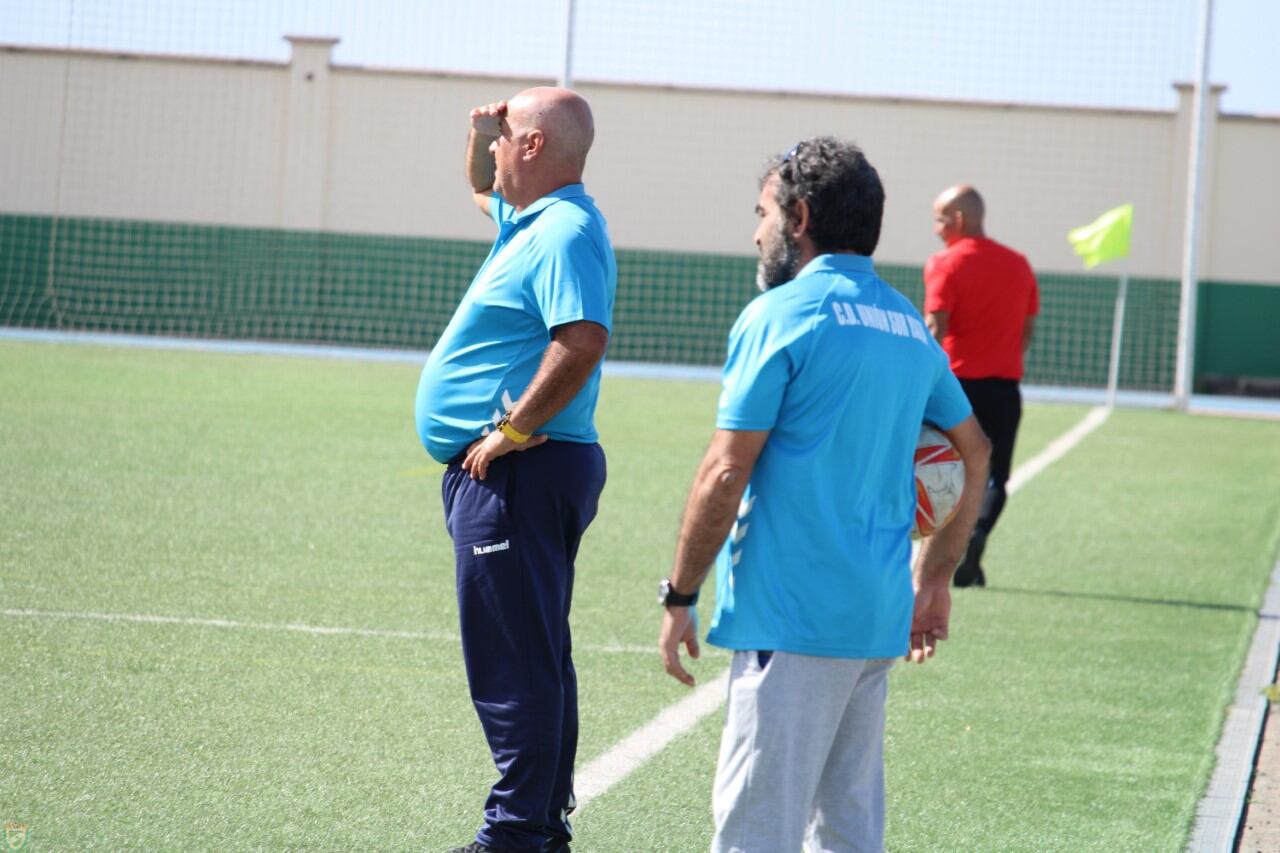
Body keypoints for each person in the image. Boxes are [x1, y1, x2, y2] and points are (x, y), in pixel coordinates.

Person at [657, 137, 990, 852]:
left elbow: (724, 470)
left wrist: (679, 591)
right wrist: (934, 579)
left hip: (793, 617)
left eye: (763, 212)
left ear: (799, 216)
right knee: (844, 834)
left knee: (757, 832)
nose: (756, 231)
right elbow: (977, 452)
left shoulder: (781, 314)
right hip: (874, 618)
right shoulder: (908, 324)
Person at [415, 87, 616, 853]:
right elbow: (478, 185)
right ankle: (538, 825)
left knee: (514, 663)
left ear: (532, 146)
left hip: (520, 473)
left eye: (504, 136)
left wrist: (510, 429)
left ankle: (515, 833)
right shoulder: (526, 221)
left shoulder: (563, 230)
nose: (494, 147)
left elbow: (581, 339)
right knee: (536, 653)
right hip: (519, 473)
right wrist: (477, 133)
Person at [924, 185, 1039, 588]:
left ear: (958, 220)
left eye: (940, 219)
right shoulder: (1020, 264)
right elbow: (1027, 331)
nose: (936, 229)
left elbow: (935, 329)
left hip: (955, 389)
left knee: (937, 469)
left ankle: (939, 559)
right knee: (995, 478)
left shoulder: (945, 263)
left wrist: (920, 385)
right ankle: (976, 538)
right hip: (1005, 389)